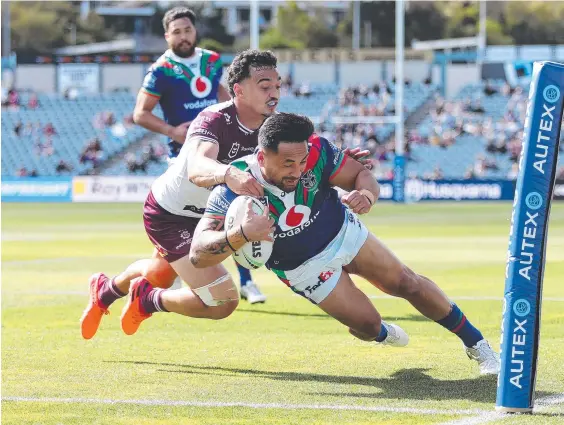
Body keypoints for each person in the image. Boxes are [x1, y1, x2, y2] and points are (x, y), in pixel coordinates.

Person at [186, 113, 500, 375]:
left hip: (344, 231)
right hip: (304, 269)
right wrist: (240, 234)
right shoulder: (232, 189)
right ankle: (380, 333)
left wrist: (366, 196)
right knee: (366, 324)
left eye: (301, 161)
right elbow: (198, 254)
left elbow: (363, 177)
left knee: (407, 282)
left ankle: (478, 345)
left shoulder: (319, 152)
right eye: (287, 164)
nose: (297, 170)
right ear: (261, 157)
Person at [79, 12, 264, 339]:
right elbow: (140, 113)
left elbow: (226, 99)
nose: (183, 36)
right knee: (176, 266)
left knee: (161, 271)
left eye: (187, 29)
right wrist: (172, 131)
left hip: (220, 156)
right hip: (186, 164)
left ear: (195, 31)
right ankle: (138, 296)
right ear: (167, 37)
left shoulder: (211, 61)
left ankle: (107, 292)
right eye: (176, 31)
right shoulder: (161, 71)